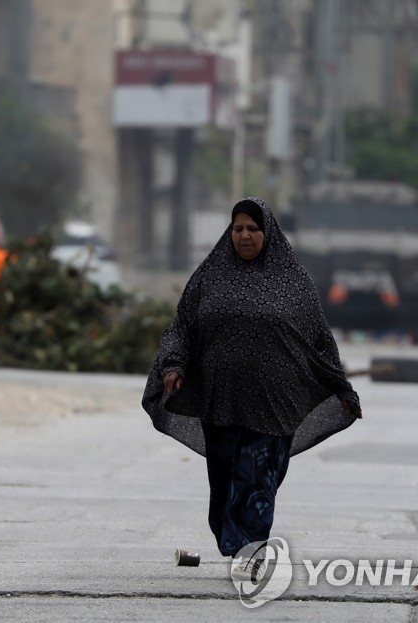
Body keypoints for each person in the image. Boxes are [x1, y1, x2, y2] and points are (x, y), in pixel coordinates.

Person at [141, 197, 363, 576]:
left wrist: (341, 388)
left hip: (275, 401)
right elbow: (182, 327)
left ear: (268, 233)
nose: (244, 236)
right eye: (238, 229)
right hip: (220, 398)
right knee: (226, 475)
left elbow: (320, 341)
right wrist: (174, 365)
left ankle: (254, 546)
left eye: (253, 229)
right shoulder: (210, 276)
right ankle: (237, 540)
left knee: (258, 474)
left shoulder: (294, 281)